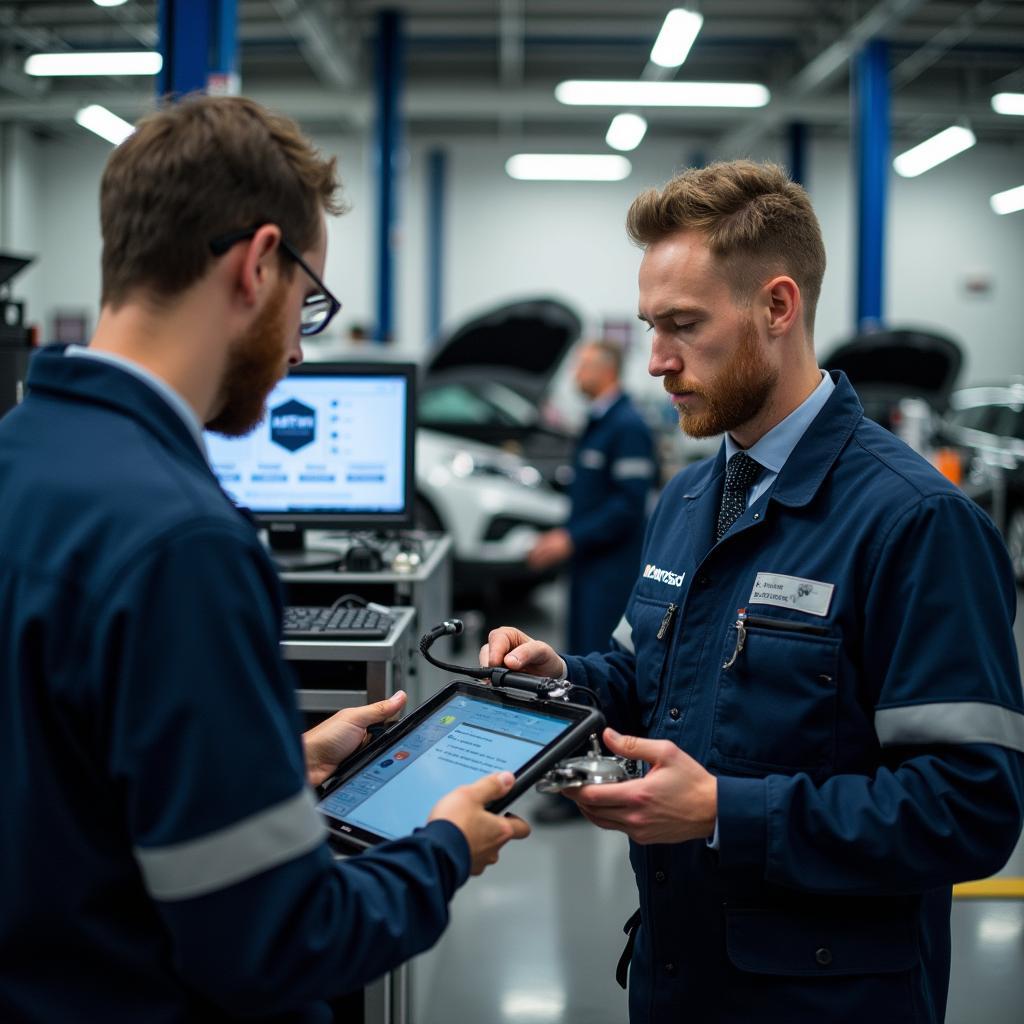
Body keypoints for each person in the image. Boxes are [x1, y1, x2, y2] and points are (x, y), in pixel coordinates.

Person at [0, 95, 529, 1023]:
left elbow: (61, 788)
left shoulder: (20, 457)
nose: (297, 347)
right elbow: (278, 943)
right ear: (257, 264)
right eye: (309, 301)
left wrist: (271, 764)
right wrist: (443, 847)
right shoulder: (183, 542)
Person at [483, 160, 1024, 1023]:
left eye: (683, 326)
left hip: (830, 999)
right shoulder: (690, 499)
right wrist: (563, 679)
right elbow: (647, 681)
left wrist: (724, 812)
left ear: (778, 306)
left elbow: (972, 806)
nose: (656, 361)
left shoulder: (917, 522)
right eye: (650, 327)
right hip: (677, 973)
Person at [528, 339, 657, 656]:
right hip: (586, 564)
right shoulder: (598, 421)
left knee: (601, 657)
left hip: (611, 572)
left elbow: (628, 504)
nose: (575, 374)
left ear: (606, 370)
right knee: (579, 655)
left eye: (581, 366)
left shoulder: (628, 426)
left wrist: (570, 538)